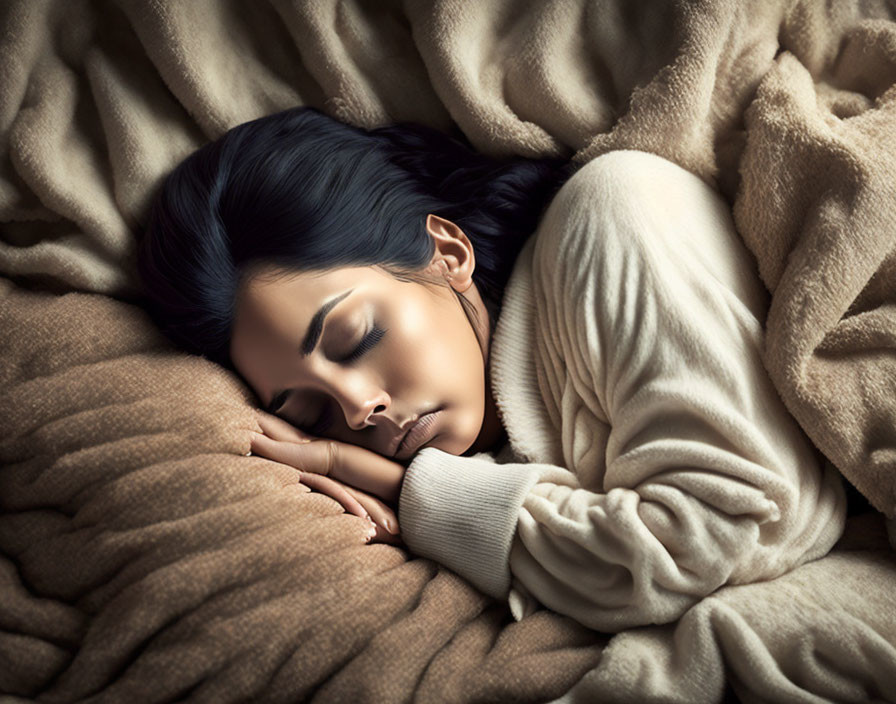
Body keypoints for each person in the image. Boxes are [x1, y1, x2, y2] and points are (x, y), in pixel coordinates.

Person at [137, 106, 847, 632]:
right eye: (307, 410)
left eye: (355, 337)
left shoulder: (613, 214)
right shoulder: (500, 430)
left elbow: (740, 528)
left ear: (446, 252)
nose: (356, 412)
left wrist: (420, 490)